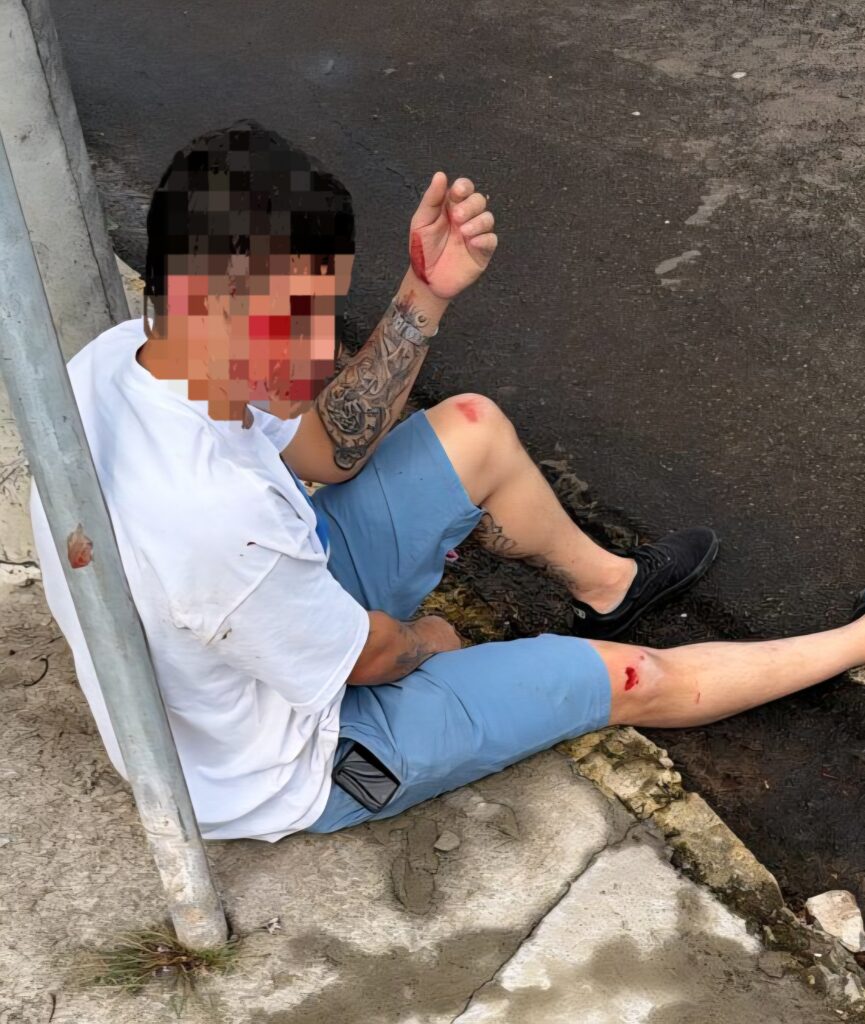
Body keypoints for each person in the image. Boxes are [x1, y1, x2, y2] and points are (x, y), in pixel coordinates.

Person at [29, 120, 865, 841]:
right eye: (293, 321)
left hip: (253, 632)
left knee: (470, 427)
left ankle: (610, 586)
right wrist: (430, 640)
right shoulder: (216, 518)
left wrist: (425, 290)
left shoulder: (127, 356)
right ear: (201, 295)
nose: (319, 353)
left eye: (322, 309)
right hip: (291, 759)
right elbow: (376, 655)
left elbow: (328, 453)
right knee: (632, 680)